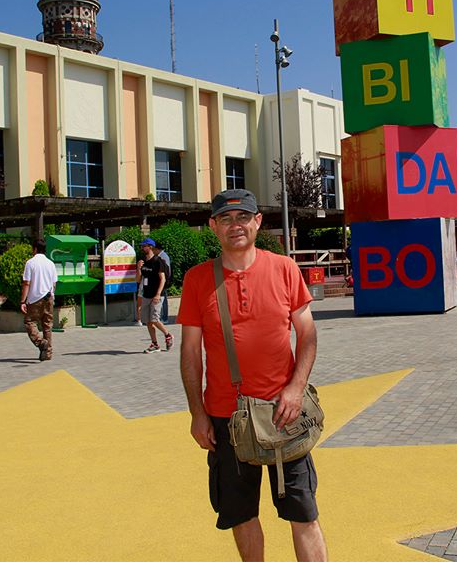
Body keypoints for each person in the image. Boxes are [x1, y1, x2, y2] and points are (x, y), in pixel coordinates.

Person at [178, 188, 327, 562]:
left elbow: (307, 334)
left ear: (257, 222)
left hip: (283, 414)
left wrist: (295, 389)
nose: (235, 225)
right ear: (213, 227)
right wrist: (197, 413)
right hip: (225, 417)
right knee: (241, 514)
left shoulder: (284, 268)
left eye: (243, 217)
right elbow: (190, 354)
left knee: (303, 513)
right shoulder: (197, 280)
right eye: (225, 219)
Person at [20, 238, 58, 361]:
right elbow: (54, 283)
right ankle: (48, 354)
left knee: (29, 322)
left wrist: (22, 301)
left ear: (35, 249)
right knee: (47, 325)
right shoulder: (50, 264)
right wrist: (52, 295)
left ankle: (41, 343)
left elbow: (26, 283)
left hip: (35, 298)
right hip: (49, 297)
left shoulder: (30, 263)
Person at [138, 238, 174, 352]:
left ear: (151, 247)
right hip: (146, 294)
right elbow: (138, 279)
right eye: (142, 246)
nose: (142, 248)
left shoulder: (158, 261)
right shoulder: (143, 261)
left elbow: (162, 279)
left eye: (144, 246)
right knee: (148, 321)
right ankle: (154, 344)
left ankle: (168, 335)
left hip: (157, 295)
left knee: (154, 319)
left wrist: (158, 294)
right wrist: (138, 268)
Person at [155, 240, 172, 323]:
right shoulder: (162, 256)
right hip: (163, 280)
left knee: (164, 300)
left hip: (163, 281)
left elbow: (167, 270)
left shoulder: (163, 256)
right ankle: (163, 317)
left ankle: (165, 318)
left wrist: (165, 281)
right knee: (163, 299)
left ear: (157, 249)